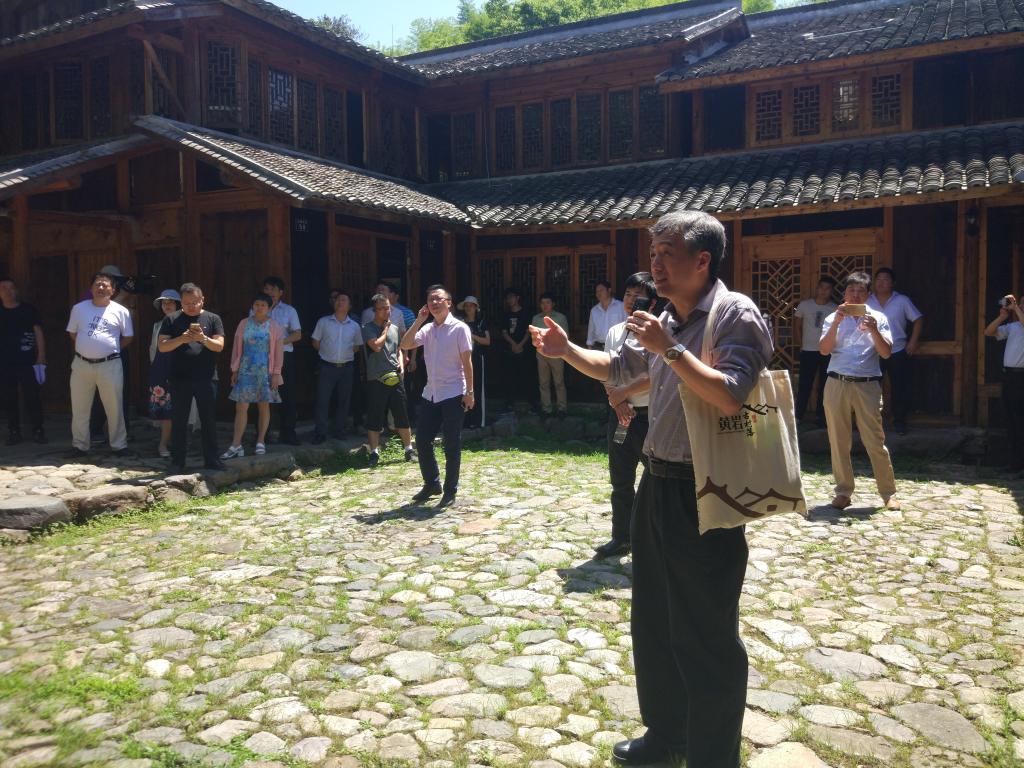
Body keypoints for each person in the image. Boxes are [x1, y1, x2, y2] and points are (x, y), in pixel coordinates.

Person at [530, 211, 772, 768]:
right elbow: (617, 369)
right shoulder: (665, 318)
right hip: (657, 480)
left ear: (703, 260)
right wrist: (566, 351)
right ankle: (667, 735)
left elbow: (731, 394)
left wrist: (670, 349)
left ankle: (713, 758)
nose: (655, 265)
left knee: (706, 632)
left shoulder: (734, 314)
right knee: (656, 620)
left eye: (666, 253)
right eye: (653, 254)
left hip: (705, 489)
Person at [819, 271, 900, 511]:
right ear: (844, 293)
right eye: (851, 290)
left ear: (868, 294)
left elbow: (886, 353)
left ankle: (888, 493)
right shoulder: (833, 317)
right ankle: (843, 491)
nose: (855, 295)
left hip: (867, 384)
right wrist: (836, 323)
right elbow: (824, 350)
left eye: (860, 291)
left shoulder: (878, 318)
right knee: (838, 440)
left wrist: (874, 330)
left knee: (874, 440)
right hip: (837, 382)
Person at [595, 272, 656, 559]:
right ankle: (621, 537)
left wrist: (625, 392)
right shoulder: (615, 332)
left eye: (639, 296)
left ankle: (657, 538)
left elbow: (658, 374)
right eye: (628, 294)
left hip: (649, 416)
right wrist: (616, 400)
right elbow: (606, 369)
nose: (632, 300)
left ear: (652, 302)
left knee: (658, 480)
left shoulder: (657, 335)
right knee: (620, 480)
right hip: (619, 416)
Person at [401, 284, 473, 509]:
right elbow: (405, 344)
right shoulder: (428, 329)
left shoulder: (460, 328)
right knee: (422, 440)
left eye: (438, 299)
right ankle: (432, 483)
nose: (434, 303)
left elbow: (467, 362)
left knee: (451, 444)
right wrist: (418, 320)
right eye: (430, 299)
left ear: (449, 303)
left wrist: (469, 392)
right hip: (431, 393)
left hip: (453, 392)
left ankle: (450, 490)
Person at [158, 283, 225, 472]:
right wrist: (181, 339)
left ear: (202, 300)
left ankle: (212, 460)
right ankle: (177, 462)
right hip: (180, 378)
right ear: (181, 302)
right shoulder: (171, 319)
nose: (191, 306)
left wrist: (203, 338)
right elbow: (162, 346)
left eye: (195, 302)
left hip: (206, 377)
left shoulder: (213, 318)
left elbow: (219, 346)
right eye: (187, 303)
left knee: (208, 419)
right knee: (179, 420)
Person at [66, 272, 134, 458]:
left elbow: (128, 337)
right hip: (82, 364)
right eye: (97, 284)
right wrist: (88, 348)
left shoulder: (121, 311)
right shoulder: (79, 309)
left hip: (109, 364)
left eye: (105, 285)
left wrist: (110, 350)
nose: (101, 287)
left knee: (114, 406)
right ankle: (80, 445)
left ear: (113, 290)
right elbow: (73, 333)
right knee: (79, 407)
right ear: (91, 288)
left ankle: (119, 445)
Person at [222, 293, 283, 459]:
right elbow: (237, 348)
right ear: (252, 306)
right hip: (245, 369)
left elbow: (278, 352)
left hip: (265, 370)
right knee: (241, 406)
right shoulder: (244, 323)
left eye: (263, 305)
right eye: (257, 304)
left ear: (269, 308)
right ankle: (236, 444)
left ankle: (261, 441)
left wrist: (276, 373)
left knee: (264, 405)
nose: (259, 307)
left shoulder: (275, 326)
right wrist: (234, 369)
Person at [868, 267, 923, 434]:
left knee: (899, 387)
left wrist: (913, 341)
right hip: (872, 352)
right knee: (870, 388)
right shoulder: (867, 300)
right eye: (878, 279)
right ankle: (870, 423)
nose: (881, 282)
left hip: (897, 350)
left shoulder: (902, 300)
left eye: (885, 279)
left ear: (893, 283)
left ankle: (899, 421)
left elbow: (918, 319)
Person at [363, 293, 415, 466]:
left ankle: (409, 449)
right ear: (374, 310)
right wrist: (385, 329)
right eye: (383, 308)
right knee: (375, 416)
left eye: (388, 308)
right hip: (376, 378)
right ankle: (374, 453)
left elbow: (399, 349)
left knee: (402, 414)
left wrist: (401, 365)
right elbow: (376, 346)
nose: (387, 311)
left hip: (395, 376)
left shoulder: (395, 328)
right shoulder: (368, 328)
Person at [89, 264, 134, 444]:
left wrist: (128, 299)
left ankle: (122, 431)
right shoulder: (91, 298)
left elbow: (128, 321)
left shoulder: (122, 297)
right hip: (100, 352)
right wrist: (123, 296)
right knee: (100, 392)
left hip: (120, 348)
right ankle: (96, 428)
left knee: (122, 391)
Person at [311, 290, 362, 443]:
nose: (340, 302)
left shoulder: (354, 326)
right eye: (338, 300)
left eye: (344, 300)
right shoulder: (323, 322)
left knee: (343, 400)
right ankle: (320, 432)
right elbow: (315, 342)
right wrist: (328, 353)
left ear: (350, 306)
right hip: (327, 366)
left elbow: (357, 346)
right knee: (322, 400)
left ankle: (339, 430)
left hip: (346, 367)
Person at [0, 276, 46, 445]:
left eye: (11, 288)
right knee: (9, 397)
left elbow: (38, 332)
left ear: (16, 290)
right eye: (3, 288)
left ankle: (38, 430)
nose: (8, 291)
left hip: (28, 360)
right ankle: (14, 431)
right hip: (4, 362)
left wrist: (41, 356)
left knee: (32, 396)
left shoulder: (28, 310)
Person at [985, 293, 1024, 472]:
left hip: (1022, 377)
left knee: (1020, 419)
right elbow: (989, 332)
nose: (1020, 306)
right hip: (1009, 377)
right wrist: (1001, 317)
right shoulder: (1014, 327)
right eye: (1020, 304)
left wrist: (1015, 308)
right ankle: (1015, 463)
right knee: (1011, 419)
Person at [260, 276, 302, 445]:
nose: (269, 292)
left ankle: (288, 432)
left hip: (284, 355)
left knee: (287, 394)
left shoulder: (289, 311)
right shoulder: (257, 308)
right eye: (267, 289)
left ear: (281, 292)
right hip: (262, 356)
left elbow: (297, 334)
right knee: (263, 395)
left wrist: (278, 343)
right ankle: (263, 434)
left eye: (273, 289)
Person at [793, 277, 838, 427]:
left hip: (828, 351)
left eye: (828, 288)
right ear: (817, 288)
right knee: (805, 384)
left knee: (825, 385)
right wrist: (800, 344)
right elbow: (797, 326)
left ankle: (821, 416)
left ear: (832, 291)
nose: (824, 291)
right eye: (821, 287)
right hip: (808, 350)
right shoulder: (804, 305)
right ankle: (798, 415)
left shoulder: (835, 308)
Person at [148, 289, 181, 457]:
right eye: (164, 303)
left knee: (179, 408)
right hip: (160, 368)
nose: (167, 306)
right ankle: (164, 443)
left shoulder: (183, 323)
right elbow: (153, 349)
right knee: (165, 410)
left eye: (171, 302)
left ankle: (175, 441)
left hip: (178, 368)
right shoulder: (157, 325)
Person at [531, 293, 570, 417]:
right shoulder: (536, 318)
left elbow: (566, 337)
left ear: (553, 304)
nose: (545, 305)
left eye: (547, 302)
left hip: (557, 354)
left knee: (559, 382)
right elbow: (533, 336)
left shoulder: (561, 318)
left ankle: (562, 408)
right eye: (542, 303)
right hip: (541, 354)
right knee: (543, 383)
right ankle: (546, 409)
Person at [458, 296, 489, 428]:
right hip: (462, 359)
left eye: (471, 305)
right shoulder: (460, 322)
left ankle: (478, 421)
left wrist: (472, 335)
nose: (468, 308)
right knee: (463, 388)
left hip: (477, 358)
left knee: (477, 387)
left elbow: (487, 341)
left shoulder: (481, 323)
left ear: (476, 308)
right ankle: (464, 420)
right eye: (466, 305)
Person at [500, 287, 531, 410]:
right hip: (509, 349)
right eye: (507, 298)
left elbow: (528, 332)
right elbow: (504, 332)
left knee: (527, 375)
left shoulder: (526, 313)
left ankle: (531, 402)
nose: (509, 300)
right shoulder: (505, 314)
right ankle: (509, 402)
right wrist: (513, 344)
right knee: (509, 376)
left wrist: (520, 345)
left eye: (511, 297)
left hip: (524, 349)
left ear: (517, 298)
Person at [586, 280, 627, 350]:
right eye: (597, 291)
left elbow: (627, 326)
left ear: (609, 290)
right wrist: (589, 348)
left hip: (617, 347)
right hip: (598, 347)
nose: (599, 293)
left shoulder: (621, 306)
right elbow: (591, 331)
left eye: (601, 290)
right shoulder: (594, 310)